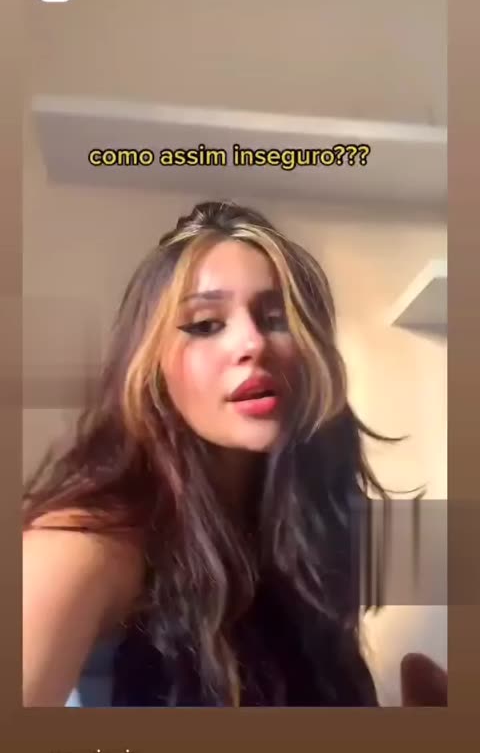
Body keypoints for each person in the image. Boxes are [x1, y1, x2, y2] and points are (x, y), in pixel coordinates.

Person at [22, 200, 447, 708]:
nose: (252, 343)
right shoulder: (83, 546)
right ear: (151, 366)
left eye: (278, 318)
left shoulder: (313, 528)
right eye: (205, 324)